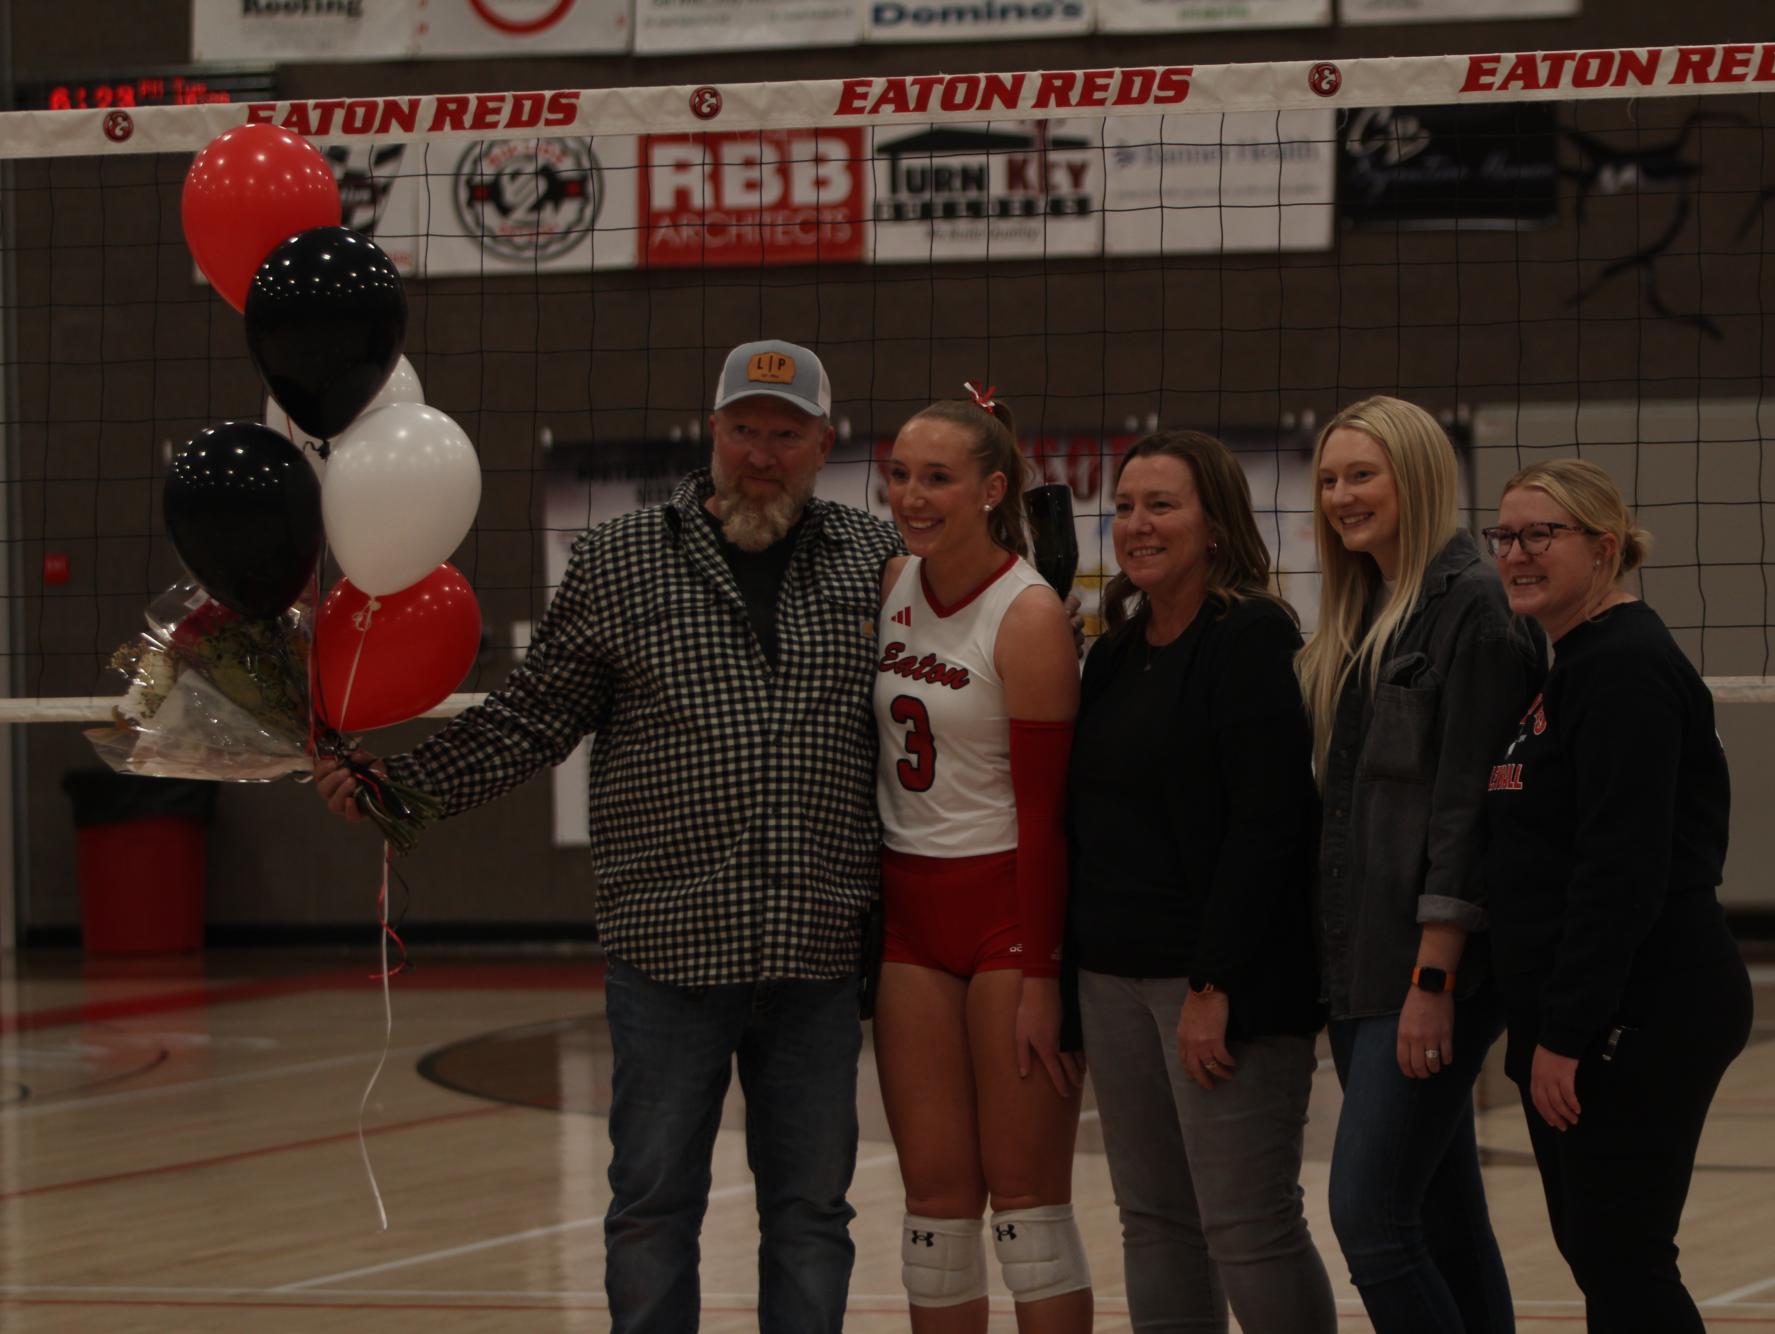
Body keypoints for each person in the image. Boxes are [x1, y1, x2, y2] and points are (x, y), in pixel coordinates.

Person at [314, 339, 903, 1334]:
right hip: (668, 949)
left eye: (786, 434)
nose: (762, 453)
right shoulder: (621, 559)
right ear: (712, 432)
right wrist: (398, 789)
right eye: (745, 429)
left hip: (816, 949)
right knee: (652, 1207)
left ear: (824, 443)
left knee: (811, 1210)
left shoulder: (875, 563)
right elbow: (533, 717)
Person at [1064, 429, 1335, 1334]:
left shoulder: (1251, 633)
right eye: (1127, 507)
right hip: (1111, 975)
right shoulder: (1114, 649)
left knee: (1246, 1225)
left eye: (1162, 505)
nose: (1137, 525)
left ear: (1214, 524)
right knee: (1154, 1223)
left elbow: (1268, 827)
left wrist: (1214, 983)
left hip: (1217, 978)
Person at [1481, 459, 1753, 1333]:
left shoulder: (1624, 669)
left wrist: (1566, 1031)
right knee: (1605, 1254)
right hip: (1598, 1002)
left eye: (1539, 535)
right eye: (1505, 536)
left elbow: (1620, 870)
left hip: (1642, 1003)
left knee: (1622, 1256)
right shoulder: (1574, 664)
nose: (1516, 554)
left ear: (1603, 549)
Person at [1297, 397, 1540, 1333]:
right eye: (1327, 478)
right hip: (1360, 969)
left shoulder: (1472, 605)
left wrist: (1434, 977)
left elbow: (1468, 814)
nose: (1340, 496)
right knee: (1440, 1215)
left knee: (1368, 1221)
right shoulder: (1363, 607)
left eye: (1362, 474)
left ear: (1419, 475)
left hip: (1425, 971)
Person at [870, 386, 1092, 1333]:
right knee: (934, 1207)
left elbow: (1048, 818)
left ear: (993, 489)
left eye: (938, 479)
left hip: (1008, 908)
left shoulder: (1027, 614)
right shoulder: (889, 584)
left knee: (1026, 1206)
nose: (913, 497)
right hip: (909, 918)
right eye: (899, 477)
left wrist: (1043, 974)